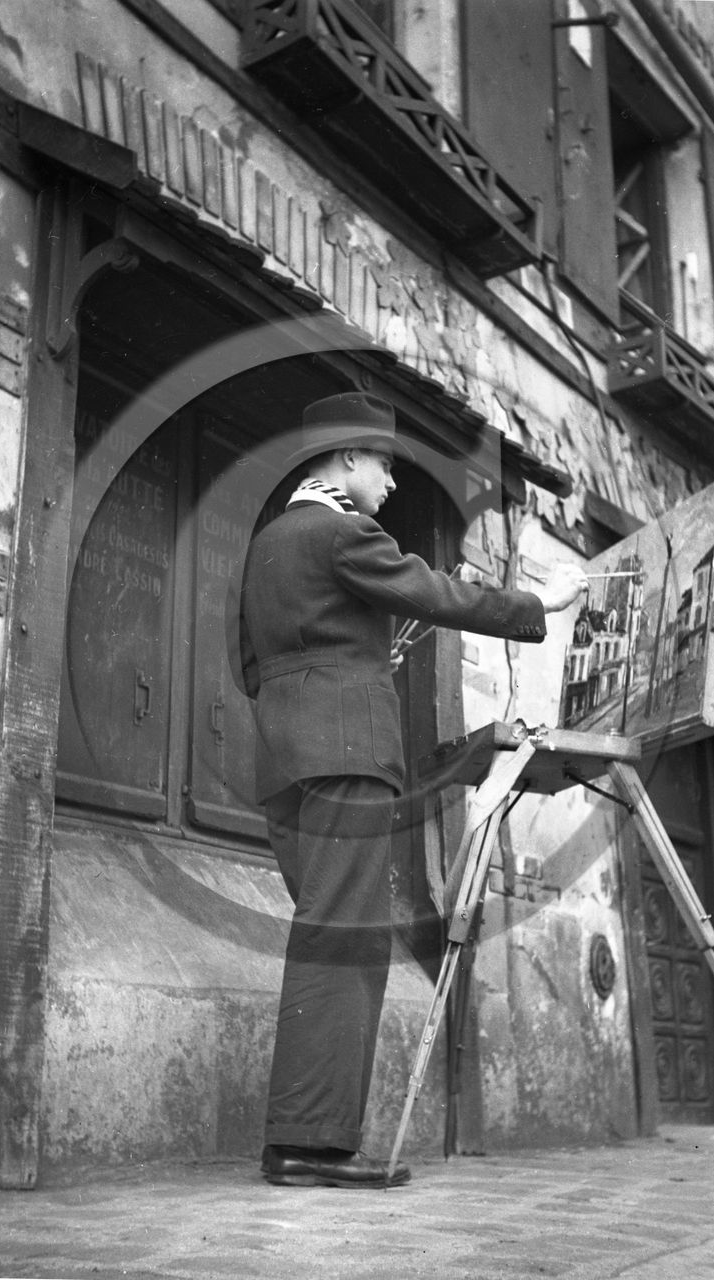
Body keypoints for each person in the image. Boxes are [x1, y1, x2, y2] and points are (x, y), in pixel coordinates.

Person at [231, 392, 586, 1189]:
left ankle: (301, 1136)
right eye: (384, 464)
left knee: (323, 926)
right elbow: (433, 592)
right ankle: (309, 1145)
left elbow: (251, 665)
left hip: (285, 758)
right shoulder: (342, 529)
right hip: (347, 751)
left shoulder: (265, 545)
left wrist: (349, 667)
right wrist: (540, 604)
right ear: (346, 458)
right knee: (345, 936)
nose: (390, 482)